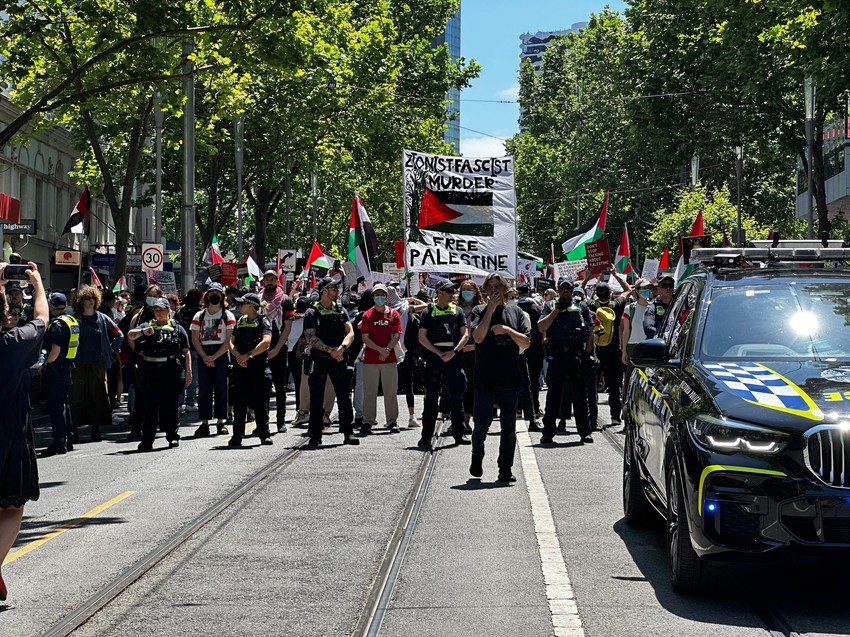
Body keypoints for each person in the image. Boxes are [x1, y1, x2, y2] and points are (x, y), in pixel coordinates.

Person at [0, 262, 48, 601]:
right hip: (8, 435)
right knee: (12, 507)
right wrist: (37, 284)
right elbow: (42, 319)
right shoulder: (13, 344)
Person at [468, 273, 531, 482]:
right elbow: (477, 337)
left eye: (498, 286)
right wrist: (491, 311)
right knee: (481, 424)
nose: (494, 290)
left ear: (505, 289)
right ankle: (477, 455)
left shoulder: (517, 312)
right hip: (485, 378)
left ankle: (505, 468)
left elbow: (526, 343)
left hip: (510, 378)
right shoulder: (479, 311)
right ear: (485, 290)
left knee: (508, 428)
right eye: (490, 287)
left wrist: (506, 330)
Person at [302, 276, 360, 447]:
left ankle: (348, 433)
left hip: (339, 358)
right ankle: (315, 434)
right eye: (333, 289)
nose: (337, 292)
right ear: (324, 291)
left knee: (344, 397)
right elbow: (310, 337)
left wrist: (341, 348)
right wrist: (330, 350)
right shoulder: (312, 311)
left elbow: (350, 332)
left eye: (337, 288)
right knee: (316, 398)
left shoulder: (340, 310)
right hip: (320, 359)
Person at [537, 277, 595, 445]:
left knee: (580, 397)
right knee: (553, 396)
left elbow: (590, 331)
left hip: (576, 356)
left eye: (568, 288)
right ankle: (548, 432)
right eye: (562, 288)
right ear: (558, 289)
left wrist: (588, 353)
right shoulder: (550, 306)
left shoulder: (581, 305)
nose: (566, 291)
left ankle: (584, 432)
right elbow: (541, 327)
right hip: (557, 356)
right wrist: (556, 311)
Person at [128, 298, 191, 451]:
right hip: (150, 370)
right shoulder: (147, 325)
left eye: (161, 310)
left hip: (170, 370)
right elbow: (130, 335)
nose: (158, 313)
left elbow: (186, 351)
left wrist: (188, 372)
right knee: (150, 407)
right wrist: (143, 331)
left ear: (168, 311)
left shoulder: (177, 328)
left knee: (170, 405)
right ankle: (147, 440)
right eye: (156, 310)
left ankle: (172, 437)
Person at [417, 280, 470, 448]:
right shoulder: (429, 311)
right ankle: (426, 436)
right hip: (434, 358)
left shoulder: (458, 311)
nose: (452, 294)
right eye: (448, 290)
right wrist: (438, 353)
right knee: (431, 398)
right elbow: (422, 337)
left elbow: (465, 334)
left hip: (453, 357)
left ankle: (459, 433)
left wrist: (454, 352)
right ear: (439, 292)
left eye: (453, 291)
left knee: (456, 396)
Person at [69, 285, 124, 442]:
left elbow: (119, 335)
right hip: (77, 363)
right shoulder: (74, 318)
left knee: (97, 395)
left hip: (97, 363)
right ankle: (74, 430)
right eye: (87, 298)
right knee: (76, 396)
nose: (90, 301)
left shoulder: (102, 318)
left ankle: (96, 429)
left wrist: (110, 350)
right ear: (81, 301)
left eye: (93, 298)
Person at [586, 269, 632, 428]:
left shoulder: (592, 305)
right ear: (610, 292)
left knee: (592, 388)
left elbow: (579, 296)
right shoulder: (617, 304)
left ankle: (592, 419)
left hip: (596, 352)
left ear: (597, 294)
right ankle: (615, 417)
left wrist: (586, 279)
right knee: (614, 386)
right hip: (614, 352)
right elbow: (628, 290)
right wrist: (615, 274)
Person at [228, 293, 273, 447]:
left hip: (257, 367)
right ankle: (237, 436)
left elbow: (266, 342)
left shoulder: (263, 321)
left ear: (251, 306)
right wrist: (238, 356)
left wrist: (248, 356)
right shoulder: (240, 321)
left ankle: (264, 434)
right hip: (241, 368)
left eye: (242, 304)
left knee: (260, 403)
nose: (240, 307)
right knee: (239, 403)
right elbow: (231, 342)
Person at [190, 283, 235, 437]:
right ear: (207, 296)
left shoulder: (228, 315)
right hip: (204, 353)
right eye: (211, 293)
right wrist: (205, 356)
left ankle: (221, 421)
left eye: (217, 292)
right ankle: (204, 423)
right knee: (204, 389)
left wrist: (214, 357)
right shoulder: (199, 316)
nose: (214, 295)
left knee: (222, 389)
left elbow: (229, 339)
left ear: (222, 296)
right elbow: (195, 338)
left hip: (221, 354)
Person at [359, 283, 402, 435]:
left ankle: (392, 421)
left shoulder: (393, 314)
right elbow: (365, 337)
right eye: (377, 295)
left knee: (390, 391)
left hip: (389, 358)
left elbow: (397, 334)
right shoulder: (367, 315)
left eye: (382, 295)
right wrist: (379, 349)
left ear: (386, 296)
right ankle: (368, 421)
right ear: (373, 297)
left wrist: (387, 349)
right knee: (370, 392)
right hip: (371, 358)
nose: (379, 297)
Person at [40, 293, 79, 457]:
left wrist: (44, 365)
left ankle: (59, 442)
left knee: (56, 407)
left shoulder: (57, 324)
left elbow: (55, 350)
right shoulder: (71, 320)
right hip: (67, 367)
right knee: (64, 405)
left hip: (56, 368)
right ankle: (68, 439)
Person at [261, 270, 294, 432]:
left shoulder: (286, 300)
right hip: (261, 349)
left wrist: (276, 349)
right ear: (263, 282)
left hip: (279, 348)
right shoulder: (258, 300)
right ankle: (263, 421)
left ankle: (281, 421)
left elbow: (287, 327)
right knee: (263, 387)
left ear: (277, 281)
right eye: (267, 279)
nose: (270, 282)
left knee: (280, 386)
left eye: (272, 279)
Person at [516, 282, 543, 430]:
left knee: (521, 382)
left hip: (519, 349)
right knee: (532, 381)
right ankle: (534, 408)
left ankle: (520, 408)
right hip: (534, 348)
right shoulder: (535, 307)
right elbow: (541, 328)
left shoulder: (514, 307)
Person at [457, 279, 484, 431]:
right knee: (458, 385)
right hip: (459, 351)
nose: (466, 292)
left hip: (475, 352)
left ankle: (467, 420)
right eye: (464, 289)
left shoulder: (480, 309)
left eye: (469, 289)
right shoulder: (456, 308)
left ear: (475, 292)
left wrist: (474, 345)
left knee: (471, 386)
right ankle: (457, 419)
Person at [175, 288, 202, 413]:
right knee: (192, 376)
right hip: (194, 347)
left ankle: (179, 403)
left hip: (180, 347)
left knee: (181, 375)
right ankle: (190, 402)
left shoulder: (180, 311)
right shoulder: (198, 313)